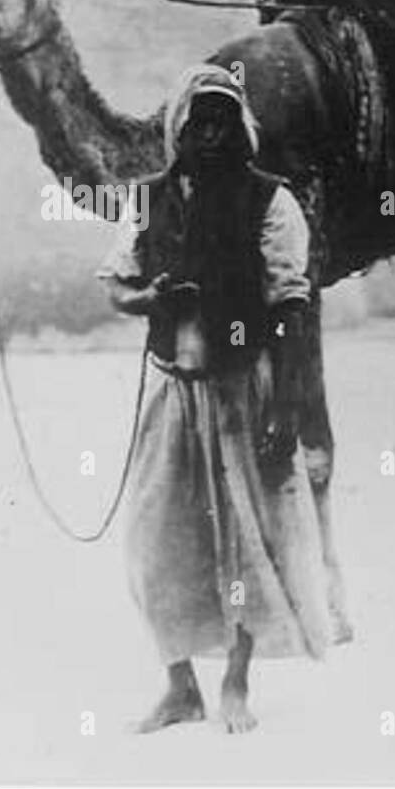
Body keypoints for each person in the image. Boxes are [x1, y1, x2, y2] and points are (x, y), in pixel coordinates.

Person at [96, 65, 331, 734]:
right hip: (174, 391)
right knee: (155, 539)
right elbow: (118, 285)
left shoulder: (269, 202)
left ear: (241, 129)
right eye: (199, 121)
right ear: (179, 130)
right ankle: (180, 686)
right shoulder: (149, 200)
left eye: (223, 121)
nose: (211, 133)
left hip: (240, 391)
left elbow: (290, 304)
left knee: (246, 538)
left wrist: (287, 402)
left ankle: (235, 682)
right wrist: (150, 300)